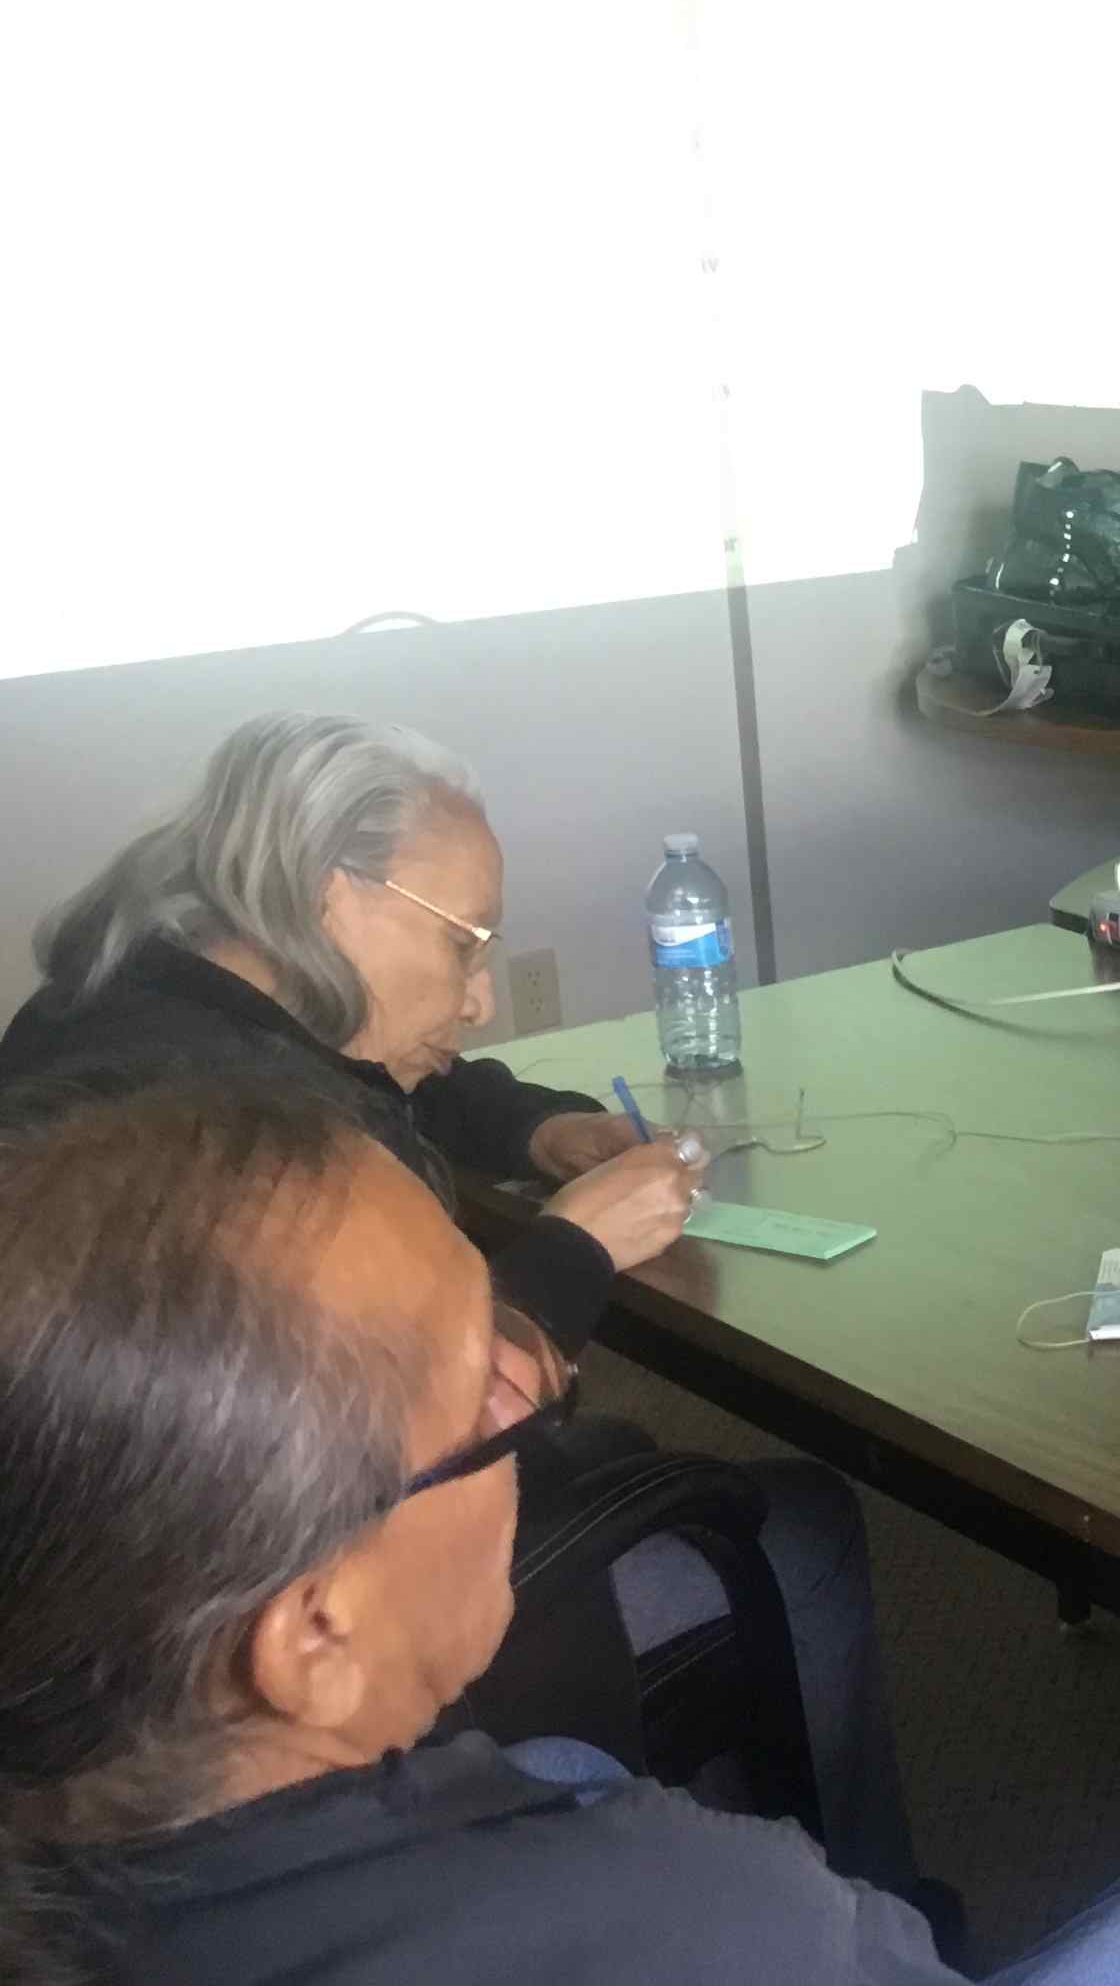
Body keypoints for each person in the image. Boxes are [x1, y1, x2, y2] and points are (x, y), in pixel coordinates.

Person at [0, 1075, 1120, 1986]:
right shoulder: (700, 1963)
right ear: (312, 1632)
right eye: (482, 1389)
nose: (532, 1395)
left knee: (558, 1763)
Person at [0, 712, 918, 1895]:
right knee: (804, 1527)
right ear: (339, 899)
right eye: (465, 945)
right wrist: (576, 1247)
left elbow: (380, 1081)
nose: (479, 998)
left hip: (95, 1595)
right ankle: (890, 1921)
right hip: (275, 1647)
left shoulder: (143, 1003)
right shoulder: (262, 1154)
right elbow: (445, 1413)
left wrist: (535, 1127)